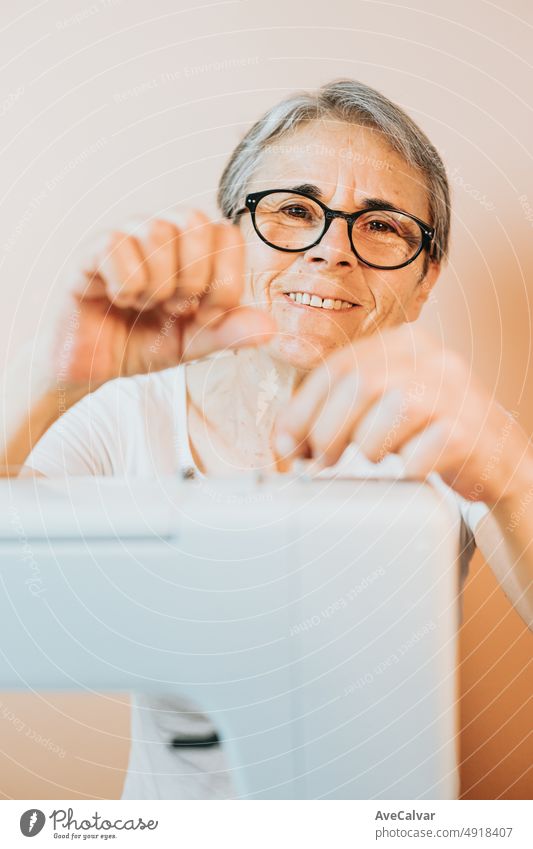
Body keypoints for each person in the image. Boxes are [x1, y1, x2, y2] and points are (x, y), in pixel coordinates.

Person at [4, 79, 532, 799]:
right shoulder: (126, 417)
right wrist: (55, 385)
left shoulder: (452, 432)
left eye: (381, 225)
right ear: (230, 238)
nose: (330, 250)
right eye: (291, 209)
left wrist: (507, 467)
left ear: (424, 278)